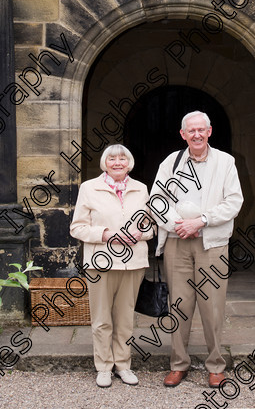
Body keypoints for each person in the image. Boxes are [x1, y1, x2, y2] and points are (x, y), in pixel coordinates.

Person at [150, 111, 244, 388]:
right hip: (177, 242)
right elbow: (157, 198)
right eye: (191, 131)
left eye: (201, 130)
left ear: (210, 131)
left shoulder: (225, 162)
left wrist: (200, 221)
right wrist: (176, 224)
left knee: (212, 306)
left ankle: (216, 365)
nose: (197, 134)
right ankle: (179, 364)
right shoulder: (172, 162)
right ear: (183, 134)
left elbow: (233, 202)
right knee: (178, 306)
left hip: (211, 243)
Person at [70, 143, 154, 388]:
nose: (118, 162)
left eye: (122, 159)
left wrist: (140, 233)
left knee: (125, 318)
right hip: (100, 263)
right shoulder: (89, 188)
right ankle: (104, 367)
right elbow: (77, 227)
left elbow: (151, 226)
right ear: (105, 163)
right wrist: (106, 234)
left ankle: (123, 365)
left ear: (129, 163)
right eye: (112, 159)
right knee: (101, 318)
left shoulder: (141, 188)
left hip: (133, 263)